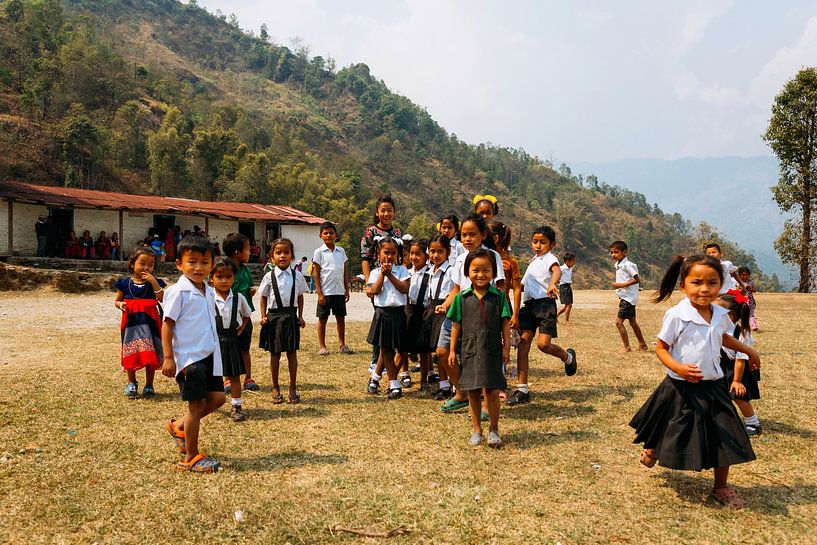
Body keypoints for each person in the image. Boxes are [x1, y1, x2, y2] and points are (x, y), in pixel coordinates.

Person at [630, 254, 758, 509]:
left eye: (712, 283)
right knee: (669, 425)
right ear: (683, 285)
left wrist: (749, 350)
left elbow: (722, 338)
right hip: (680, 386)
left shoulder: (721, 313)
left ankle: (721, 487)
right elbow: (661, 348)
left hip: (714, 386)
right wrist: (678, 367)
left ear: (720, 285)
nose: (704, 289)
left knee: (726, 435)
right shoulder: (677, 315)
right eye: (697, 282)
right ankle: (654, 448)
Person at [161, 235, 225, 474]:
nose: (199, 267)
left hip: (210, 355)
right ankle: (190, 456)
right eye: (192, 262)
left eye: (205, 262)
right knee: (195, 406)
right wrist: (168, 358)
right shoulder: (178, 292)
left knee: (218, 399)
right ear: (179, 264)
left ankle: (179, 426)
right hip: (190, 360)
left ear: (212, 264)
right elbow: (167, 324)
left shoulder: (208, 290)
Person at [434, 214, 505, 414]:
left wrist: (504, 314)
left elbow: (500, 287)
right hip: (459, 311)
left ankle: (484, 404)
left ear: (483, 235)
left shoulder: (492, 256)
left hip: (482, 314)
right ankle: (462, 392)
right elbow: (457, 289)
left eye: (472, 234)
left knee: (480, 358)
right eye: (463, 234)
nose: (467, 239)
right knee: (442, 351)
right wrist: (445, 304)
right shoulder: (459, 258)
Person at [447, 248, 511, 448]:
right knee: (473, 392)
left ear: (493, 272)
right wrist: (451, 351)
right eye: (476, 270)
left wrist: (506, 348)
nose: (481, 275)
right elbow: (456, 325)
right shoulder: (461, 298)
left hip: (492, 349)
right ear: (467, 272)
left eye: (486, 270)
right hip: (469, 350)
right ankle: (476, 430)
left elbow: (505, 324)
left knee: (492, 391)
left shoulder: (499, 297)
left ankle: (494, 429)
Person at [509, 226, 578, 406]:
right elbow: (521, 286)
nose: (538, 245)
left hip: (545, 305)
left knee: (543, 345)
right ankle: (522, 389)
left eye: (543, 242)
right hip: (529, 307)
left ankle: (568, 357)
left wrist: (552, 284)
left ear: (552, 244)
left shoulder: (550, 258)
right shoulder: (532, 263)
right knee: (523, 345)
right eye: (535, 242)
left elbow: (557, 271)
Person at [259, 238, 308, 404]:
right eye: (278, 253)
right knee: (275, 354)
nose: (282, 256)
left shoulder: (297, 276)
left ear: (292, 256)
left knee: (292, 353)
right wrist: (263, 315)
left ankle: (293, 387)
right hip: (273, 318)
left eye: (286, 252)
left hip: (290, 316)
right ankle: (275, 386)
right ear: (272, 257)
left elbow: (300, 296)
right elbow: (263, 297)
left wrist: (300, 315)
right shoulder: (268, 276)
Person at [114, 247, 166, 399]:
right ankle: (132, 382)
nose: (147, 268)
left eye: (150, 264)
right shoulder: (124, 283)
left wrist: (153, 282)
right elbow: (117, 301)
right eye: (142, 263)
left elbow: (162, 298)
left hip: (150, 323)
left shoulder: (154, 283)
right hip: (131, 323)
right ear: (132, 264)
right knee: (132, 351)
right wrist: (121, 305)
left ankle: (149, 385)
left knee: (151, 353)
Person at [361, 195, 403, 376]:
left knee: (395, 323)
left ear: (394, 212)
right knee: (381, 322)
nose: (386, 214)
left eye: (390, 210)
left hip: (395, 280)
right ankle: (375, 361)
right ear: (377, 213)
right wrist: (370, 283)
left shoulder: (398, 234)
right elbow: (364, 259)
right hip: (378, 282)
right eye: (383, 210)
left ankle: (391, 361)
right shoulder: (370, 233)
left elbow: (402, 258)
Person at [366, 236, 411, 399]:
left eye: (393, 253)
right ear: (379, 254)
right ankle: (394, 383)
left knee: (401, 348)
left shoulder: (402, 270)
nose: (389, 256)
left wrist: (391, 275)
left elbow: (404, 289)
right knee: (385, 349)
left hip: (399, 313)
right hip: (382, 313)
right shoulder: (374, 273)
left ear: (398, 254)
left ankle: (376, 378)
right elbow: (374, 291)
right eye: (386, 253)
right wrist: (383, 275)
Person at [211, 256, 252, 422]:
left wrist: (241, 328)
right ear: (211, 277)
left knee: (234, 375)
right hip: (213, 341)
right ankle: (210, 402)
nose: (223, 281)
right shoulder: (207, 297)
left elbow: (247, 315)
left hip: (231, 339)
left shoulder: (238, 298)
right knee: (212, 375)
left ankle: (236, 405)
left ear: (234, 278)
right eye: (219, 277)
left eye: (228, 277)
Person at [717, 292, 762, 436]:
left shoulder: (742, 334)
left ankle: (753, 423)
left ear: (729, 315)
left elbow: (740, 360)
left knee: (739, 396)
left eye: (717, 310)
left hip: (737, 370)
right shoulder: (715, 328)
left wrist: (736, 381)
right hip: (720, 366)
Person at [223, 233, 259, 393]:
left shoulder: (245, 270)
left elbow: (248, 286)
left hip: (245, 316)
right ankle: (227, 379)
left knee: (245, 348)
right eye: (248, 249)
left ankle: (248, 377)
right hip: (228, 316)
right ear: (238, 252)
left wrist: (250, 291)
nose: (250, 252)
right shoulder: (224, 270)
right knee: (227, 349)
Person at [312, 222, 353, 356]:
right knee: (323, 319)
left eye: (331, 232)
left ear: (336, 235)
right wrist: (319, 293)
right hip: (326, 292)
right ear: (320, 236)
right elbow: (316, 273)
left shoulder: (341, 251)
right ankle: (322, 346)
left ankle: (342, 344)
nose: (328, 235)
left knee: (340, 318)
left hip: (339, 291)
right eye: (326, 233)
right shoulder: (319, 252)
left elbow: (344, 270)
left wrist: (346, 289)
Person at [422, 234, 454, 394]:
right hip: (432, 311)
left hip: (445, 311)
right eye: (432, 251)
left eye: (440, 251)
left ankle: (448, 384)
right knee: (436, 349)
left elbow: (454, 291)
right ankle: (443, 384)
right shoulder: (429, 271)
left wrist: (445, 305)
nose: (435, 255)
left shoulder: (450, 271)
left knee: (443, 350)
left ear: (448, 252)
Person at [610, 240, 648, 353]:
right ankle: (643, 344)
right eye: (612, 252)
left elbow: (637, 279)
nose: (613, 255)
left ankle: (627, 347)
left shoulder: (628, 265)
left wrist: (620, 285)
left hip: (628, 298)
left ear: (624, 252)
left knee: (618, 322)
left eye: (616, 252)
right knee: (632, 322)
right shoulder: (618, 265)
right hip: (626, 297)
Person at [404, 239, 431, 390]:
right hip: (408, 311)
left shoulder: (430, 274)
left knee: (424, 349)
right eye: (412, 254)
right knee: (404, 346)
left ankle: (423, 380)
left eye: (418, 254)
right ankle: (405, 373)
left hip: (422, 313)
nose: (414, 257)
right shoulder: (406, 273)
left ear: (426, 256)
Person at [557, 253, 576, 324]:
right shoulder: (562, 268)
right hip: (563, 287)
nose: (574, 263)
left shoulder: (570, 268)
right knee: (569, 305)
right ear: (567, 262)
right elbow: (556, 275)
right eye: (573, 261)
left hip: (568, 286)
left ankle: (556, 316)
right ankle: (566, 320)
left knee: (566, 305)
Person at [738, 266, 758, 331]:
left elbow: (754, 290)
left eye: (747, 275)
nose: (745, 277)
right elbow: (736, 291)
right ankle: (743, 326)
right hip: (741, 301)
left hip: (750, 300)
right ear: (739, 275)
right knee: (742, 314)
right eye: (743, 275)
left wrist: (751, 288)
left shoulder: (751, 282)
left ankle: (753, 326)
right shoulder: (737, 282)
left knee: (751, 313)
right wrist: (742, 288)